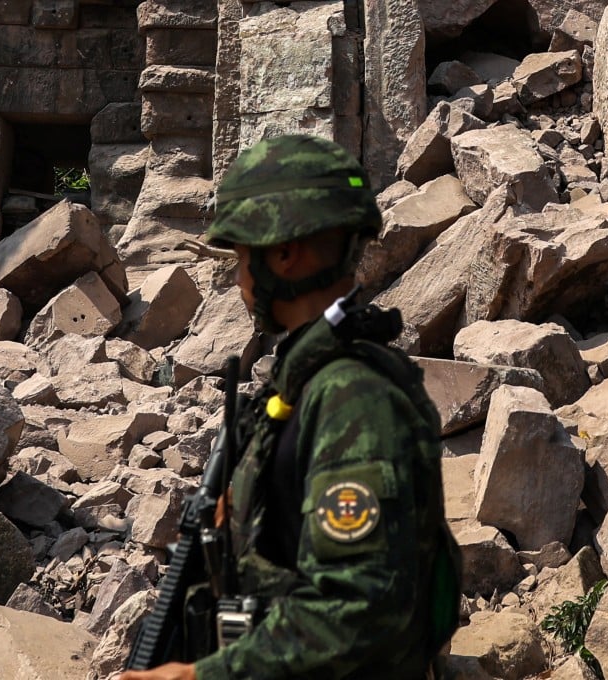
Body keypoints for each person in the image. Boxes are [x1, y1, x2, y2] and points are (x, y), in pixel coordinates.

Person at [119, 134, 460, 680]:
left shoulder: (352, 397)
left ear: (282, 253)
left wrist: (203, 677)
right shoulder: (306, 380)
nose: (239, 280)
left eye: (241, 260)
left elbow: (359, 607)